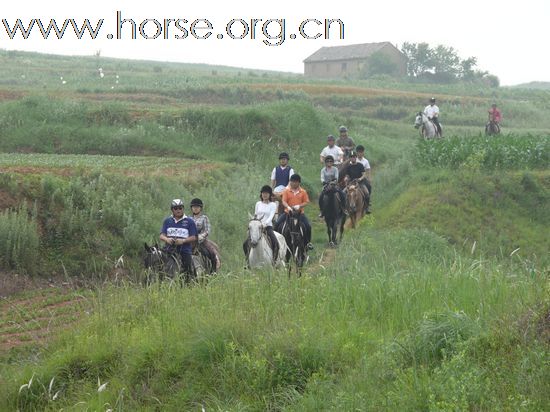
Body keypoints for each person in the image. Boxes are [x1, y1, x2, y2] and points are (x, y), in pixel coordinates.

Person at [159, 199, 198, 279]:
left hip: (184, 250)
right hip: (168, 249)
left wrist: (183, 241)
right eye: (175, 208)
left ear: (183, 209)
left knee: (188, 267)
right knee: (157, 262)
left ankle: (191, 281)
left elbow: (194, 237)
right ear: (172, 210)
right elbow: (162, 235)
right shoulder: (167, 221)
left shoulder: (189, 221)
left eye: (180, 208)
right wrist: (167, 240)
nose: (178, 210)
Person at [275, 174, 314, 250]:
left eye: (295, 182)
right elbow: (283, 201)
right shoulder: (286, 191)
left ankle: (308, 243)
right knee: (277, 224)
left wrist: (299, 206)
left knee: (308, 226)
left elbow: (306, 202)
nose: (293, 183)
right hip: (287, 213)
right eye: (291, 182)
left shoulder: (303, 192)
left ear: (299, 182)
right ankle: (277, 242)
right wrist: (288, 207)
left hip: (299, 214)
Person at [243, 185, 279, 263]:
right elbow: (256, 215)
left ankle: (274, 261)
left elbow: (271, 216)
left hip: (267, 227)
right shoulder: (258, 204)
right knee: (245, 243)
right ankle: (247, 262)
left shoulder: (273, 205)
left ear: (269, 195)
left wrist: (264, 224)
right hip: (257, 227)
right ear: (261, 194)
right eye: (263, 193)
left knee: (275, 243)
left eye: (266, 193)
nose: (264, 195)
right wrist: (253, 221)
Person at [190, 198, 220, 271]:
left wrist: (201, 236)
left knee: (211, 252)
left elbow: (207, 230)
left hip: (202, 241)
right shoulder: (189, 219)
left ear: (200, 208)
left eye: (197, 207)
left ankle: (213, 269)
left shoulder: (204, 218)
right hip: (190, 240)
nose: (195, 209)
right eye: (194, 207)